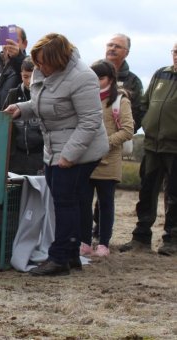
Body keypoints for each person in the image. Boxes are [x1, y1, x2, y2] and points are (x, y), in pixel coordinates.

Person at [4, 33, 109, 276]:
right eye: (37, 62)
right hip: (55, 146)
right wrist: (20, 109)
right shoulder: (44, 72)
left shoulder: (83, 77)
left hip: (81, 149)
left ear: (59, 59)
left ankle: (59, 257)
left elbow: (90, 121)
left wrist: (70, 155)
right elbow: (42, 104)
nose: (40, 67)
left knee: (64, 200)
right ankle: (71, 254)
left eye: (44, 62)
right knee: (66, 199)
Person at [119, 43, 177, 256]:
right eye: (175, 52)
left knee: (174, 194)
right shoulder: (161, 74)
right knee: (147, 190)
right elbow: (144, 103)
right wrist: (147, 124)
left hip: (175, 148)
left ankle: (172, 240)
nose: (176, 56)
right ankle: (141, 237)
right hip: (152, 144)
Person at [79, 60, 133, 257]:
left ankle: (103, 243)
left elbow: (128, 130)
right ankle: (84, 242)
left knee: (105, 204)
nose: (96, 81)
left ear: (110, 79)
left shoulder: (121, 100)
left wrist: (105, 143)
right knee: (83, 202)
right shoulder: (85, 97)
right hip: (86, 160)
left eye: (100, 77)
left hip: (109, 160)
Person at [3, 56, 43, 175]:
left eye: (32, 77)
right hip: (16, 156)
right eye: (25, 77)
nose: (29, 81)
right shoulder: (13, 94)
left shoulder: (44, 95)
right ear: (21, 75)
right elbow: (3, 122)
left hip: (39, 156)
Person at [105, 34, 144, 133]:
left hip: (119, 139)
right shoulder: (92, 74)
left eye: (117, 46)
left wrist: (122, 134)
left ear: (126, 53)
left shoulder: (134, 81)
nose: (112, 48)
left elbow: (139, 113)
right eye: (110, 45)